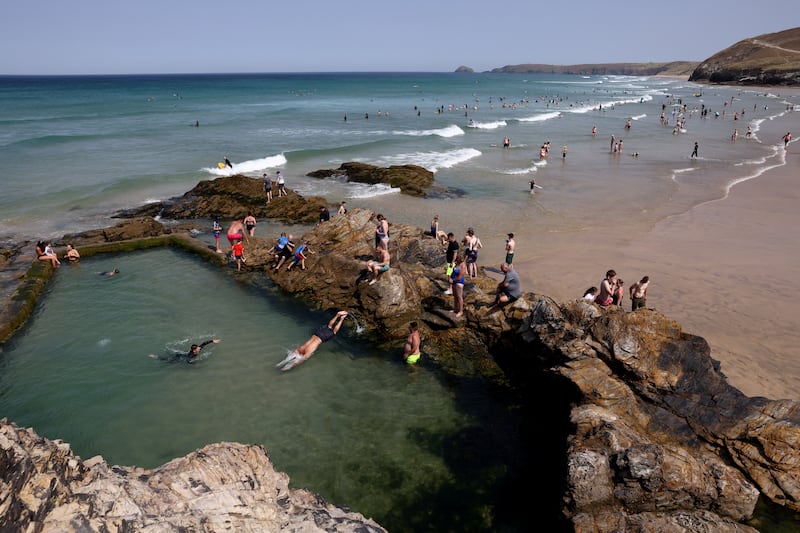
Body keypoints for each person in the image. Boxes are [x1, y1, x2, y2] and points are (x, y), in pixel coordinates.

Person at [276, 311, 349, 371]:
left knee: (329, 326)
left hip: (312, 338)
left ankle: (337, 315)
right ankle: (342, 319)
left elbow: (329, 325)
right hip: (314, 345)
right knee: (334, 332)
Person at [155, 338, 220, 364]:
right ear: (194, 350)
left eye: (198, 347)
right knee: (169, 361)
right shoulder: (191, 355)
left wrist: (213, 341)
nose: (199, 348)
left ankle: (167, 352)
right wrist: (194, 364)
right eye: (197, 348)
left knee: (172, 356)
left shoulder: (198, 349)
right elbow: (188, 361)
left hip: (182, 354)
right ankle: (157, 357)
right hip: (181, 357)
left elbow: (204, 343)